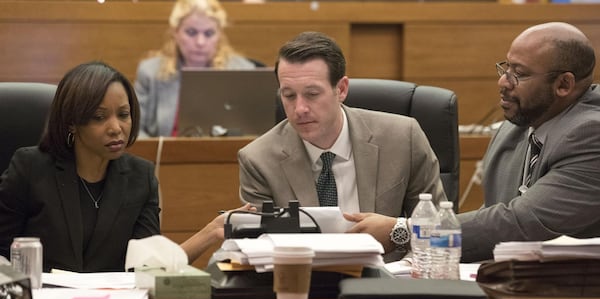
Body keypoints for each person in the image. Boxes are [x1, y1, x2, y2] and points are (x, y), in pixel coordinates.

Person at [0, 61, 250, 272]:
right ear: (72, 122)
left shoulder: (141, 177)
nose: (116, 128)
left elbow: (150, 267)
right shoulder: (30, 168)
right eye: (99, 117)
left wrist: (211, 232)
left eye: (123, 114)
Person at [237, 31, 446, 254]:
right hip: (304, 281)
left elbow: (441, 230)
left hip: (390, 280)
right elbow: (259, 249)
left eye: (312, 94)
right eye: (289, 96)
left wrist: (398, 236)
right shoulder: (258, 159)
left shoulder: (403, 138)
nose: (300, 109)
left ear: (342, 89)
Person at [458, 22, 600, 262]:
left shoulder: (591, 134)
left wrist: (409, 232)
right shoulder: (517, 126)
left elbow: (519, 223)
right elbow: (494, 213)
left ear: (564, 84)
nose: (503, 82)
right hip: (523, 285)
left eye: (519, 74)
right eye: (506, 68)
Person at [134, 0, 259, 138]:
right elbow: (135, 131)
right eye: (191, 32)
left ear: (219, 35)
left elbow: (252, 133)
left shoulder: (241, 71)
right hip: (163, 157)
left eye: (209, 33)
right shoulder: (150, 72)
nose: (200, 42)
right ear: (176, 32)